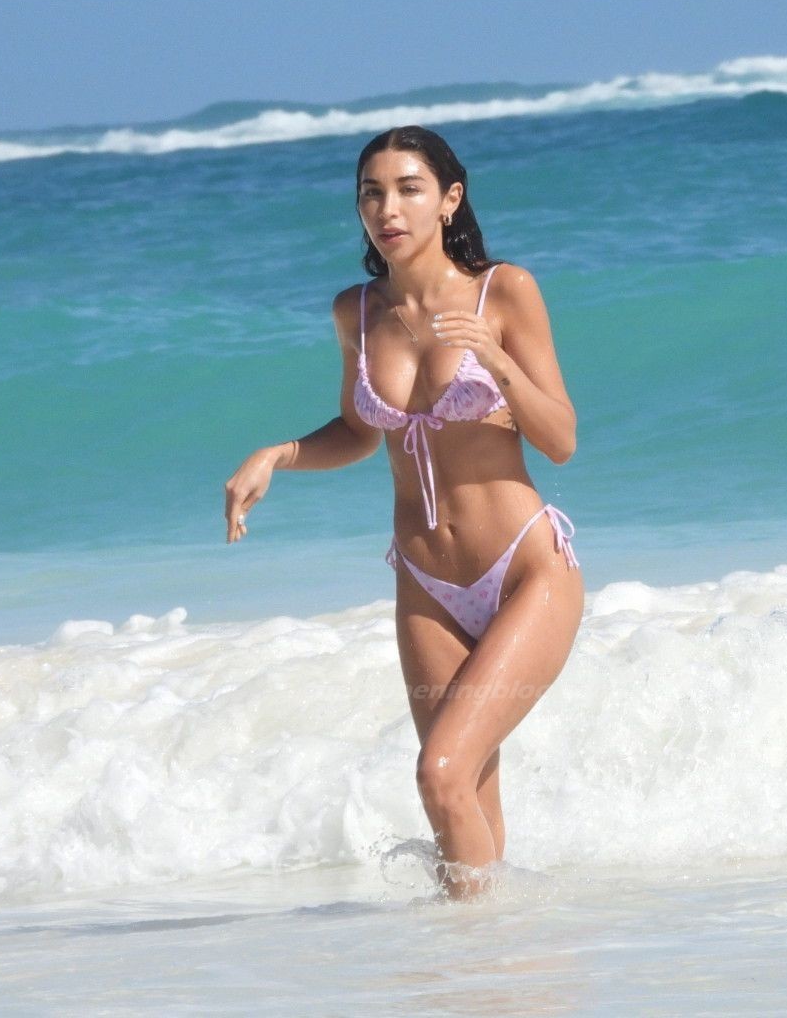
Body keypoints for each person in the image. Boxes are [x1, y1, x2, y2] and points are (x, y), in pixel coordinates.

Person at [223, 125, 584, 900]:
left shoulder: (503, 291)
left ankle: (478, 945)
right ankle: (493, 958)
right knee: (468, 794)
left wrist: (495, 359)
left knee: (439, 773)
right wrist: (277, 455)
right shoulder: (356, 311)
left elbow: (560, 439)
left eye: (409, 189)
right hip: (426, 585)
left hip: (526, 571)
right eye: (371, 193)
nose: (388, 208)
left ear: (450, 200)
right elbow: (360, 432)